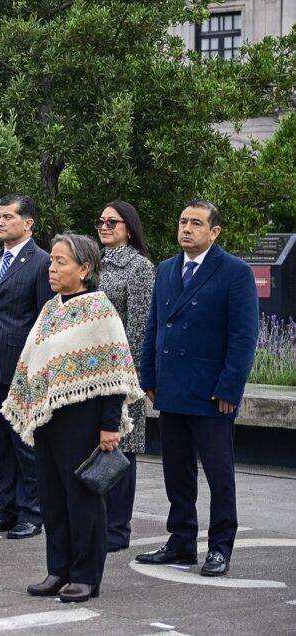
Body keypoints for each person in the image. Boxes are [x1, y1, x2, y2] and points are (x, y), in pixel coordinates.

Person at [4, 233, 143, 603]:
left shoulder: (100, 309)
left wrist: (110, 426)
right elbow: (35, 362)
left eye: (61, 262)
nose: (52, 268)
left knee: (83, 500)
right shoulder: (52, 309)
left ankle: (86, 576)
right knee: (52, 497)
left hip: (85, 419)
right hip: (50, 419)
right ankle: (58, 569)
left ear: (85, 269)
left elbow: (115, 374)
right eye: (51, 260)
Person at [136, 201, 259, 577]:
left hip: (212, 394)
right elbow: (154, 326)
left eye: (196, 223)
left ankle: (220, 548)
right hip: (171, 388)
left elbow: (243, 336)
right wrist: (149, 377)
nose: (186, 228)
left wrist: (229, 388)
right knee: (177, 471)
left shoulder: (234, 272)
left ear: (214, 232)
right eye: (183, 222)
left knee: (219, 476)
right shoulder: (167, 268)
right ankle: (181, 541)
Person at [0, 194, 54, 540]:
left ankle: (32, 512)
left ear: (28, 223)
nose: (0, 221)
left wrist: (36, 367)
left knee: (25, 444)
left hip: (23, 368)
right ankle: (6, 508)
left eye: (8, 216)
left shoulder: (40, 262)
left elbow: (44, 318)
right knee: (1, 442)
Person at [95, 200, 155, 552]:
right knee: (93, 449)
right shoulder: (93, 261)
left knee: (121, 449)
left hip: (121, 375)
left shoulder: (139, 267)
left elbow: (140, 325)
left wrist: (124, 376)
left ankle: (117, 529)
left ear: (128, 227)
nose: (104, 227)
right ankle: (97, 523)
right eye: (101, 221)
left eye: (112, 222)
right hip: (88, 373)